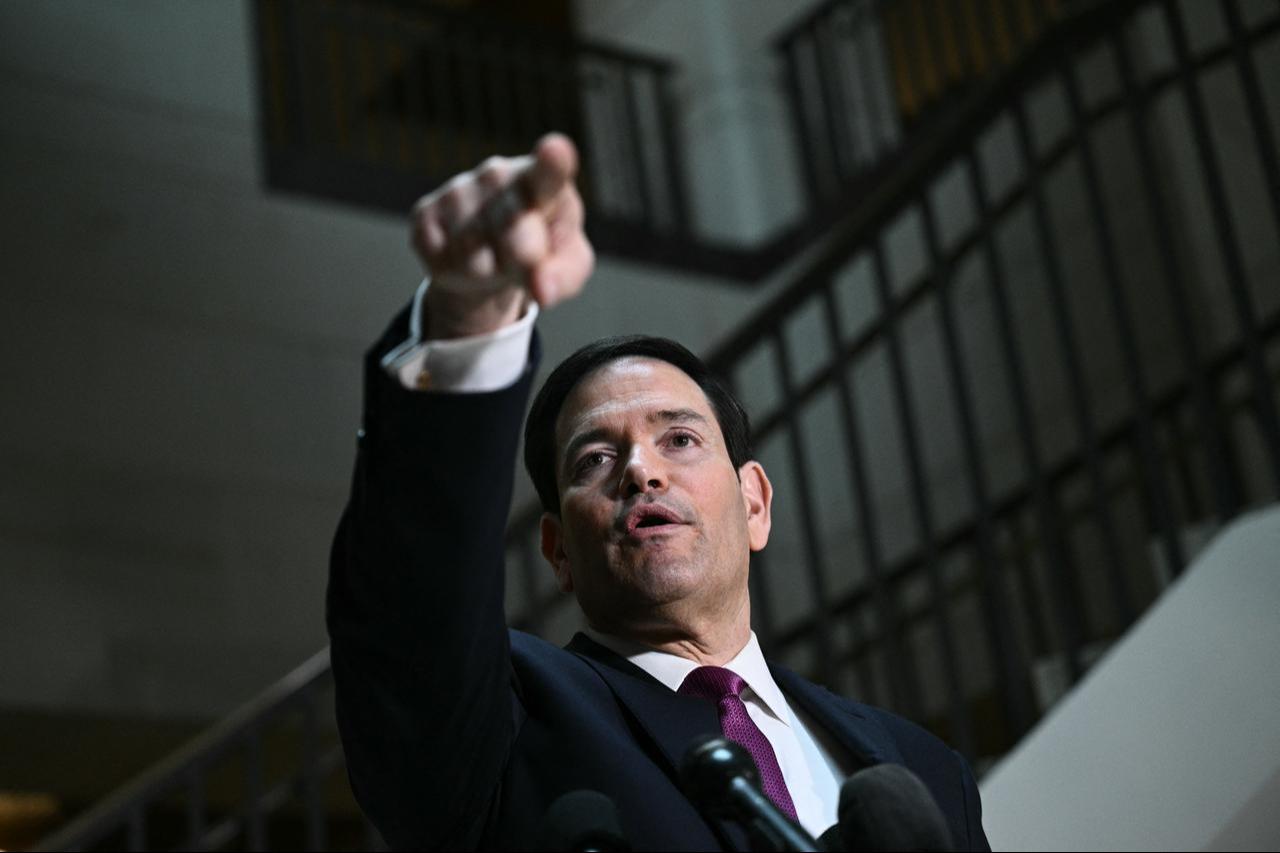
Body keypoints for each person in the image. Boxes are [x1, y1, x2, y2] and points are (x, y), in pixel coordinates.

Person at [328, 134, 990, 850]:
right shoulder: (508, 725)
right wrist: (467, 327)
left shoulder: (924, 769)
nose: (642, 471)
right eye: (595, 458)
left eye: (679, 439)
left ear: (756, 503)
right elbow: (414, 606)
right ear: (558, 552)